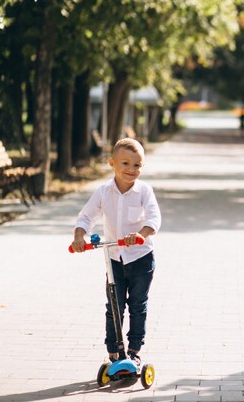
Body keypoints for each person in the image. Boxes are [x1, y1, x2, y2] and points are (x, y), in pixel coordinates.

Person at [71, 137, 161, 368]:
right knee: (114, 306)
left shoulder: (144, 191)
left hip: (141, 258)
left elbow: (154, 218)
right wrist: (80, 236)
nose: (132, 170)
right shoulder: (103, 192)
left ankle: (134, 350)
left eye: (137, 165)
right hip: (114, 260)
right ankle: (114, 352)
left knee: (138, 304)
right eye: (126, 164)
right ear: (112, 163)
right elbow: (86, 216)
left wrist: (141, 233)